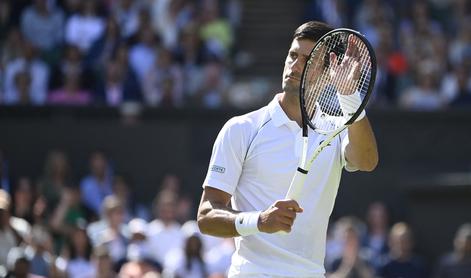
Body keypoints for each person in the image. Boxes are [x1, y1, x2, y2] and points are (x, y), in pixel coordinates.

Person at [197, 21, 378, 277]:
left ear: (327, 73)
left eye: (307, 60)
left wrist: (350, 97)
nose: (295, 65)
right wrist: (259, 221)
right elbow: (206, 216)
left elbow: (367, 160)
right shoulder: (241, 129)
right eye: (293, 55)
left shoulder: (337, 131)